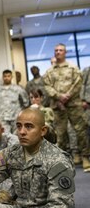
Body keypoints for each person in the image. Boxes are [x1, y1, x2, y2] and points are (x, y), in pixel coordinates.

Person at [0, 107, 75, 208]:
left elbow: (61, 205)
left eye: (29, 127)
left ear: (43, 131)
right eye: (19, 126)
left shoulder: (58, 161)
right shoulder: (11, 154)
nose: (22, 132)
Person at [44, 43, 90, 171]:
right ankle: (61, 161)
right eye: (56, 50)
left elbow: (78, 83)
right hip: (58, 106)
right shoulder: (49, 71)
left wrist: (67, 96)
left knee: (80, 131)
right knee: (60, 134)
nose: (58, 52)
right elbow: (47, 86)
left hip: (73, 105)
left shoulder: (73, 68)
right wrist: (59, 97)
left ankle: (85, 157)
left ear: (65, 52)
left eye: (60, 50)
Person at [0, 69, 29, 133]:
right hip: (3, 117)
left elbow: (26, 101)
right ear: (2, 77)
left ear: (11, 77)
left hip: (16, 117)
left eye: (8, 76)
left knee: (17, 136)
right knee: (5, 137)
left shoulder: (17, 88)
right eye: (5, 76)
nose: (7, 78)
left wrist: (21, 112)